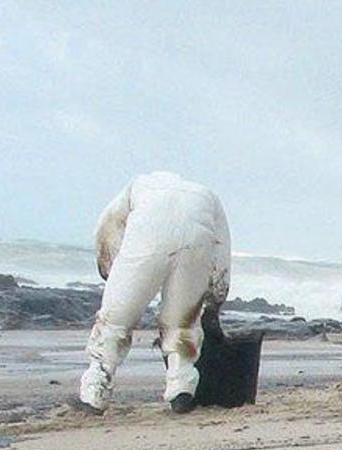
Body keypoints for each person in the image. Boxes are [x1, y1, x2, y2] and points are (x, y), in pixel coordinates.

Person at [79, 172, 231, 413]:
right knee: (182, 324)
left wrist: (108, 270)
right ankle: (181, 391)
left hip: (147, 239)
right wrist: (216, 298)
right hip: (196, 243)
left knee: (116, 321)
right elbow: (222, 246)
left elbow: (107, 228)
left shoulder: (138, 186)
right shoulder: (207, 195)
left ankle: (95, 391)